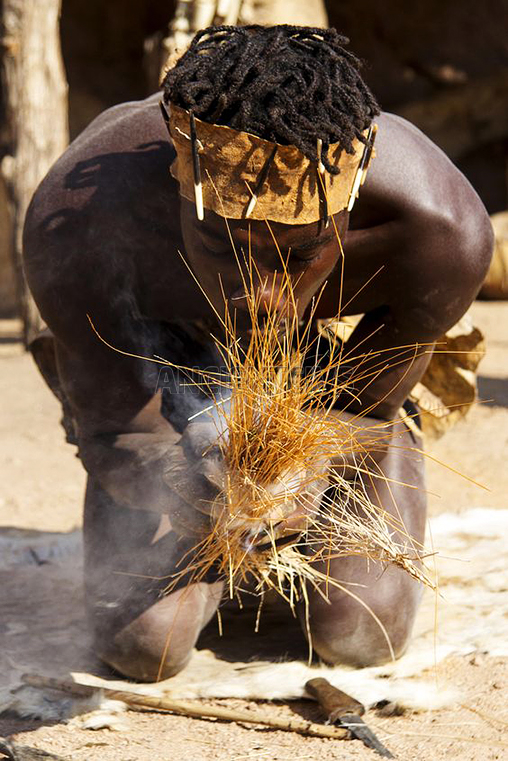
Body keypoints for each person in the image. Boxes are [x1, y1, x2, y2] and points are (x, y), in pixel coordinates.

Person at [23, 25, 493, 681]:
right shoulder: (77, 222)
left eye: (300, 255)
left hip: (336, 379)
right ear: (178, 186)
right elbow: (118, 424)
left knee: (363, 634)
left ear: (349, 202)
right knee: (145, 646)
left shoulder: (437, 231)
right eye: (223, 247)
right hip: (169, 374)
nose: (263, 297)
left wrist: (310, 460)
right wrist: (195, 484)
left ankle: (396, 449)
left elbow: (360, 408)